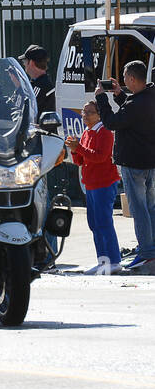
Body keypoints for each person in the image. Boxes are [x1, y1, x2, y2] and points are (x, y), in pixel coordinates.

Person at [94, 60, 155, 271]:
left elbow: (111, 122)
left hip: (135, 163)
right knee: (150, 207)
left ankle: (147, 253)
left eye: (125, 77)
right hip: (150, 163)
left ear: (131, 79)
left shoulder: (137, 104)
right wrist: (119, 95)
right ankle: (151, 249)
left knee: (140, 210)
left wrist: (101, 98)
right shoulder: (148, 97)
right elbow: (131, 114)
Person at [66, 100, 123, 274]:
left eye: (89, 112)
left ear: (99, 114)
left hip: (104, 183)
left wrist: (79, 148)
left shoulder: (105, 131)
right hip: (91, 184)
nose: (85, 115)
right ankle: (103, 261)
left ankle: (114, 261)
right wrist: (75, 150)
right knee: (94, 224)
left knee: (104, 222)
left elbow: (100, 157)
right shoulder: (87, 132)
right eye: (84, 112)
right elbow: (80, 161)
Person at [19, 45, 55, 114]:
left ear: (31, 62)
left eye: (25, 61)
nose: (24, 64)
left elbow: (29, 111)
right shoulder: (35, 83)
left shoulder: (41, 86)